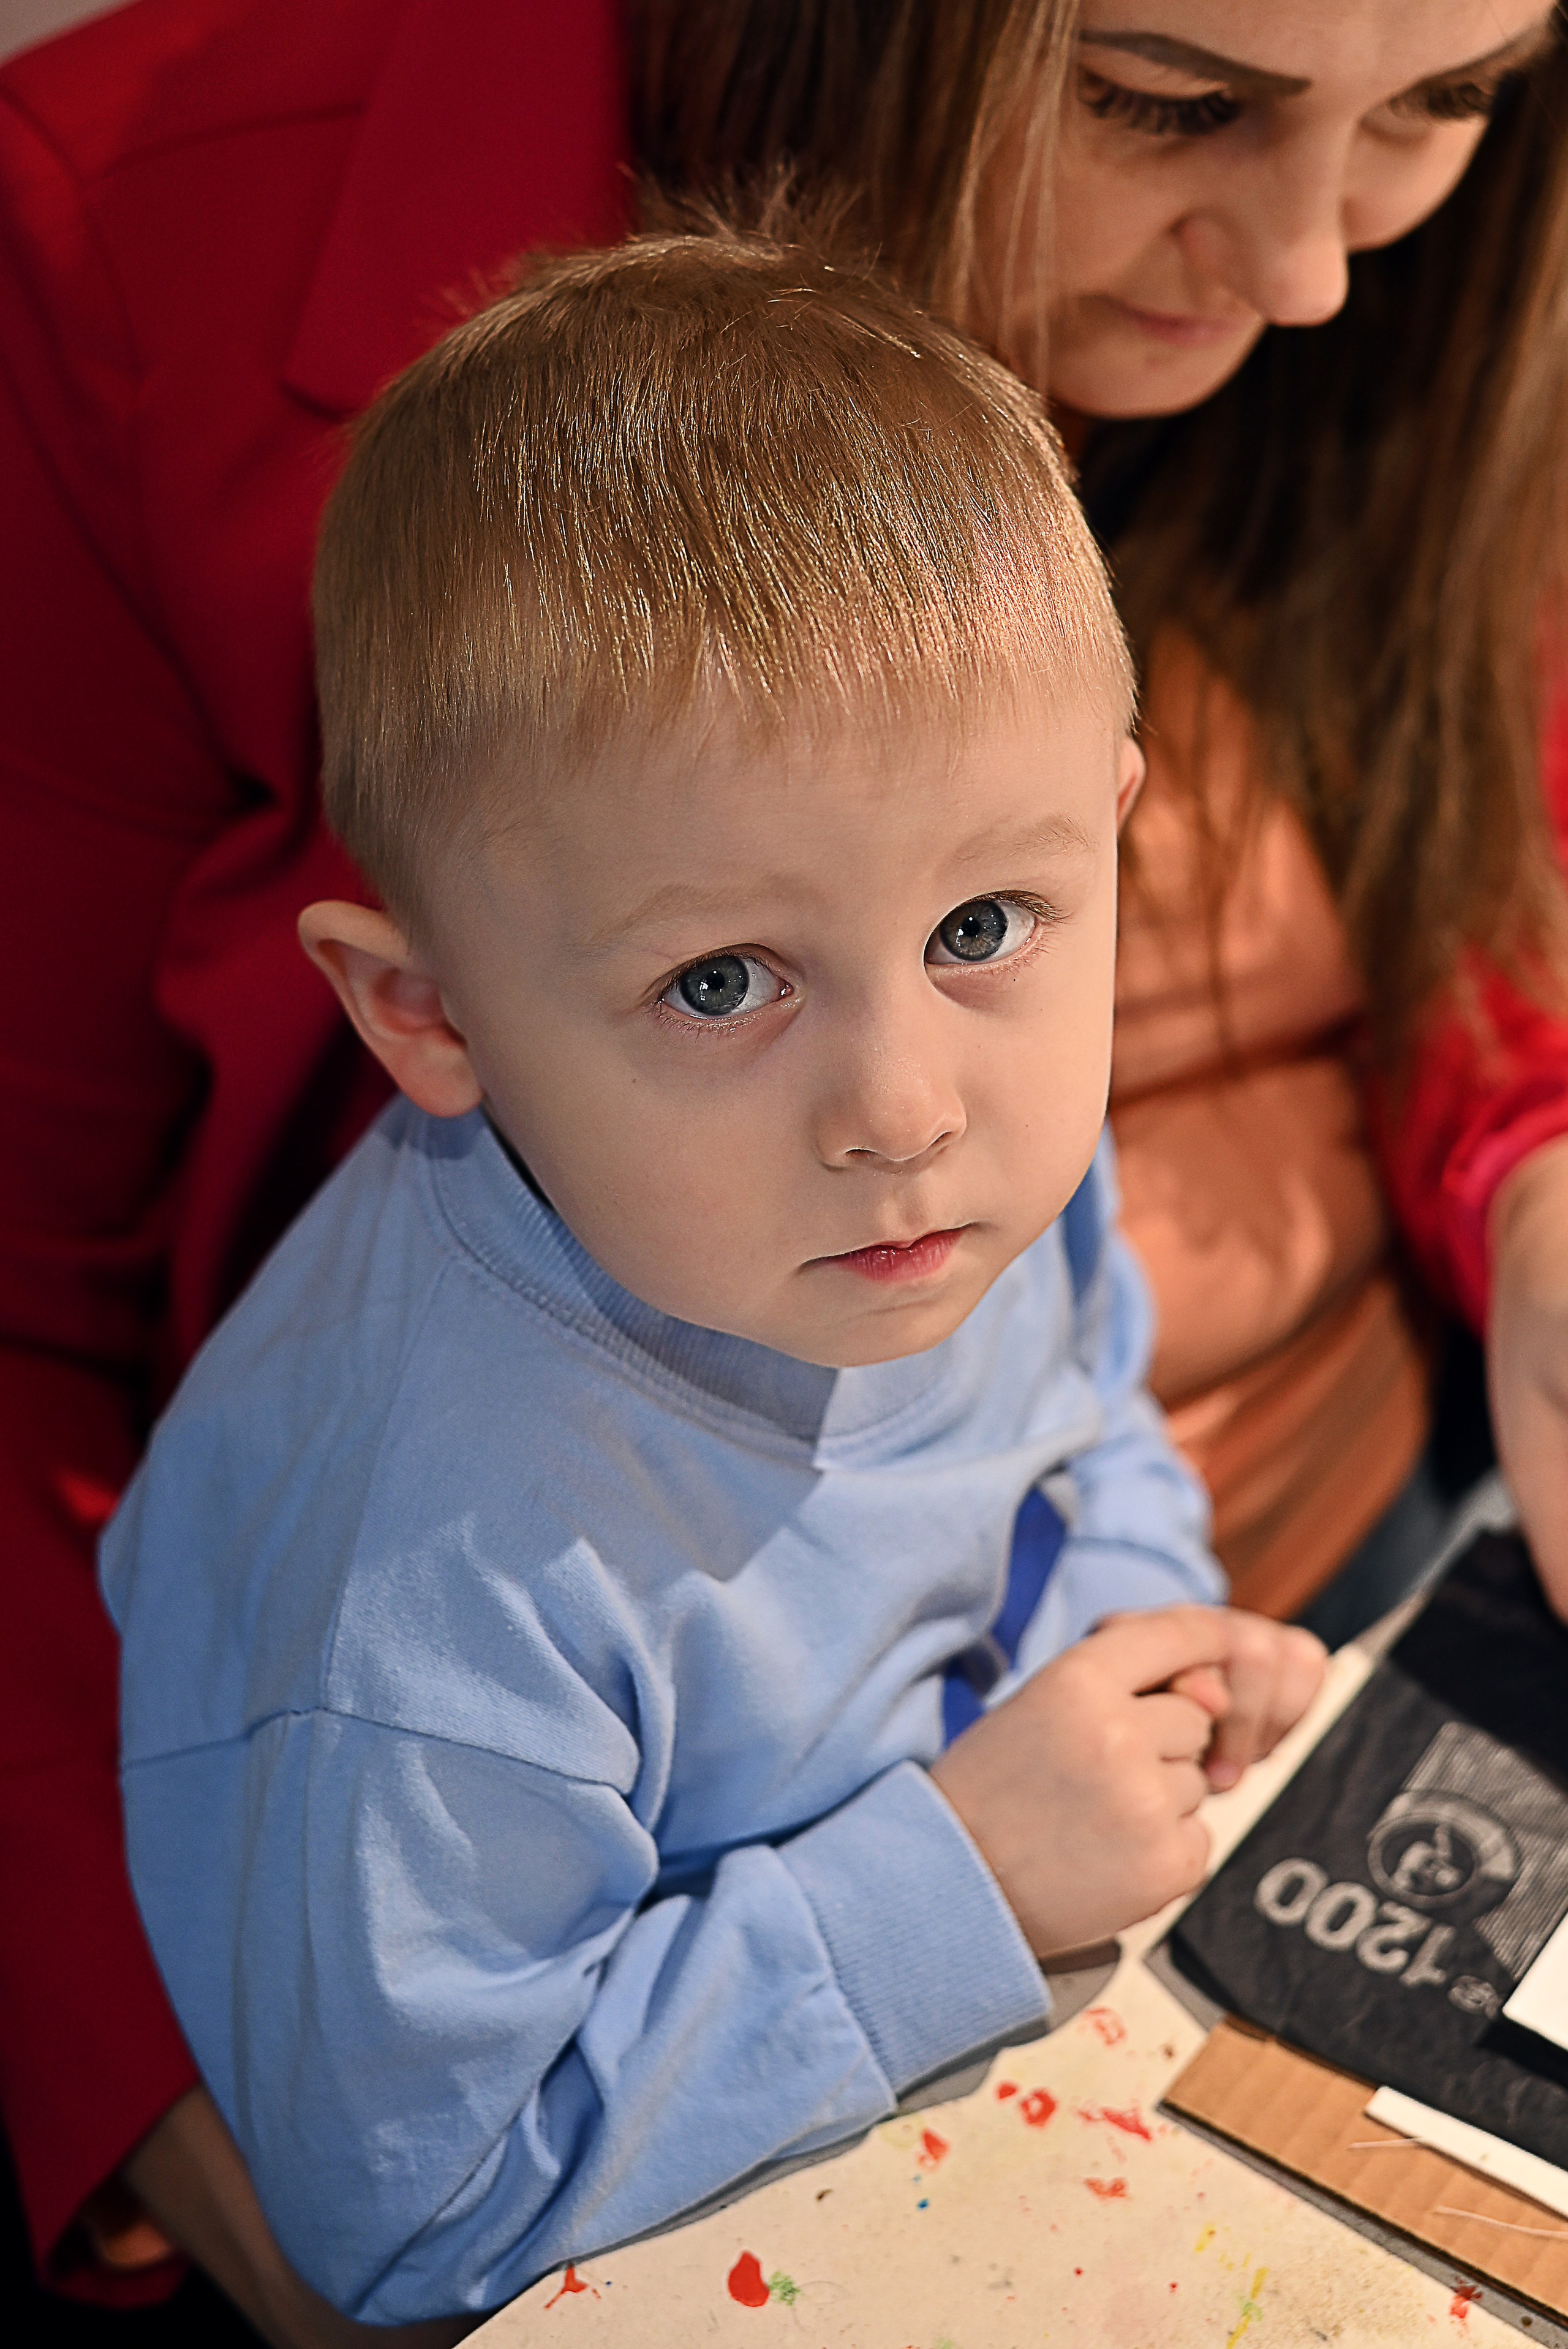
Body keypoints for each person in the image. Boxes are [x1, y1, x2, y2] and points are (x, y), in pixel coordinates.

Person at [2, 0, 1567, 2331]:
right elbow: (410, 2206)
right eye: (1169, 96)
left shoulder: (956, 1170)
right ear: (418, 1011)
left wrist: (1139, 1641)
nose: (911, 1102)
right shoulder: (440, 1596)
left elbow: (1080, 1413)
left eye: (1446, 105)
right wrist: (952, 1874)